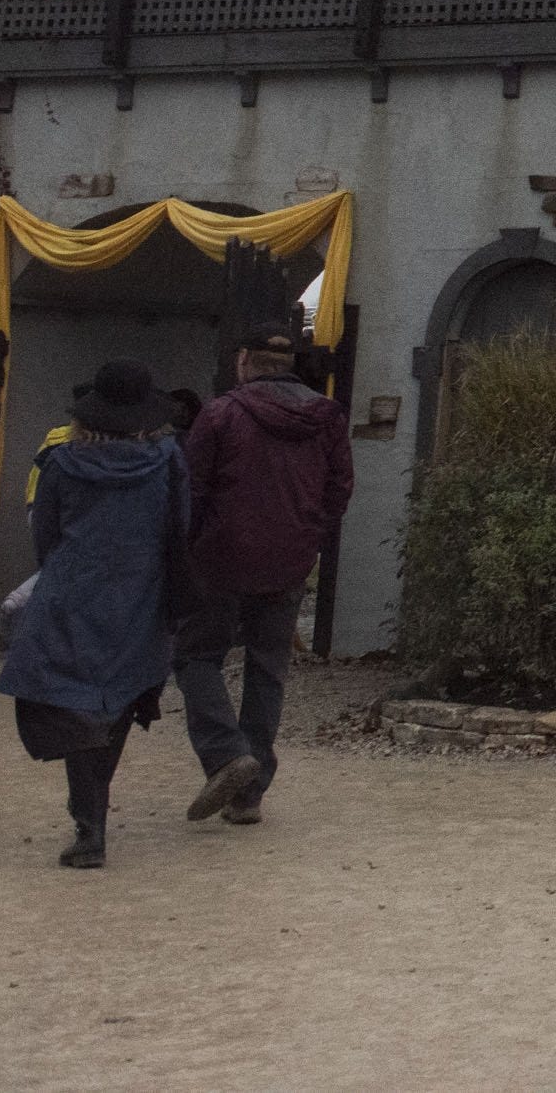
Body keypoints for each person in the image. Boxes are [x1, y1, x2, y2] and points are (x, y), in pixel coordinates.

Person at [0, 361, 192, 870]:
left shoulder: (61, 462)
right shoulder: (169, 460)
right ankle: (93, 812)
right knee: (119, 698)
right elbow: (180, 527)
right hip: (141, 595)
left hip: (71, 594)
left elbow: (45, 535)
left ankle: (90, 824)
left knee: (74, 704)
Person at [173, 323, 354, 824]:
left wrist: (189, 549)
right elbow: (339, 489)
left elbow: (193, 489)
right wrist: (310, 536)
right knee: (267, 667)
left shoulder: (221, 414)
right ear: (290, 364)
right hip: (290, 560)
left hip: (220, 560)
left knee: (194, 657)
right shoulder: (328, 417)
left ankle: (228, 756)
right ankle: (248, 795)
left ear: (243, 362)